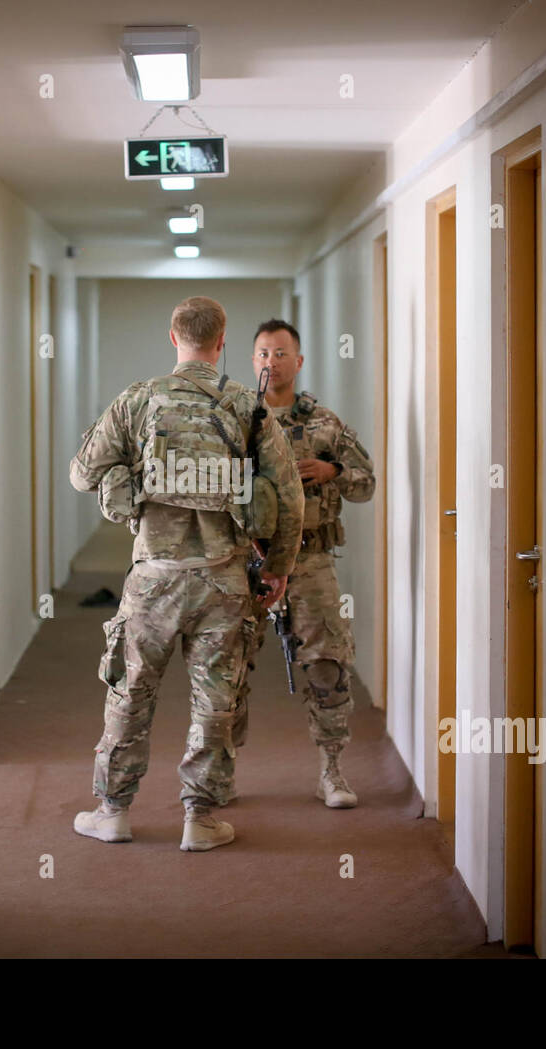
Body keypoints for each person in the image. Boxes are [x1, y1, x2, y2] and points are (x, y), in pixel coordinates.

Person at [69, 297, 304, 851]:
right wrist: (278, 571)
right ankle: (199, 818)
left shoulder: (137, 400)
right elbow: (289, 499)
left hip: (153, 578)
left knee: (130, 696)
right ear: (222, 342)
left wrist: (128, 472)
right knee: (215, 701)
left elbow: (83, 476)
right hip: (223, 581)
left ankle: (114, 811)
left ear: (173, 337)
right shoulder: (248, 407)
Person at [231, 319, 376, 808]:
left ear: (299, 361)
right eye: (263, 354)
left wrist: (333, 469)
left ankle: (332, 770)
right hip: (244, 562)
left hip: (310, 560)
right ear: (253, 361)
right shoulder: (236, 420)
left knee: (327, 665)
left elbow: (365, 482)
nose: (271, 362)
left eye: (280, 353)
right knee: (228, 667)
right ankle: (221, 771)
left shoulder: (323, 422)